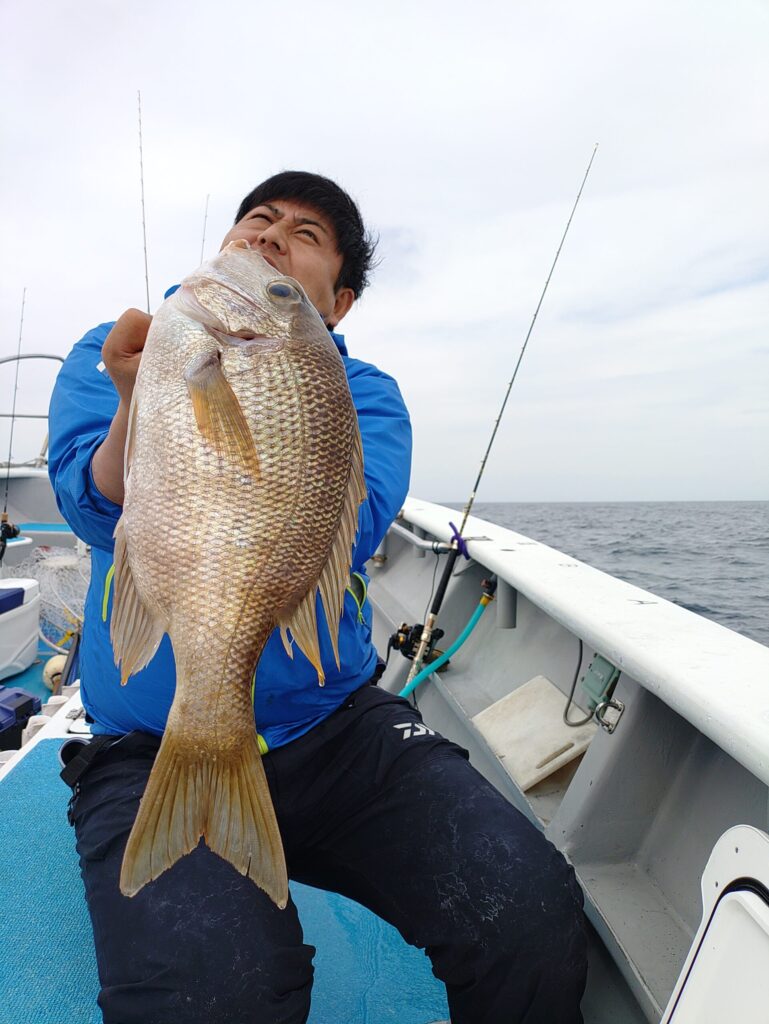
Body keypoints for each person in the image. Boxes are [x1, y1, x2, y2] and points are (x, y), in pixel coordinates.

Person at [49, 171, 587, 1024]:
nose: (268, 236)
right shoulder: (122, 348)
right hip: (148, 746)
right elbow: (90, 508)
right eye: (256, 221)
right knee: (211, 999)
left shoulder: (362, 393)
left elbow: (346, 531)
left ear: (335, 305)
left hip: (335, 731)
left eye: (303, 237)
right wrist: (136, 399)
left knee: (526, 910)